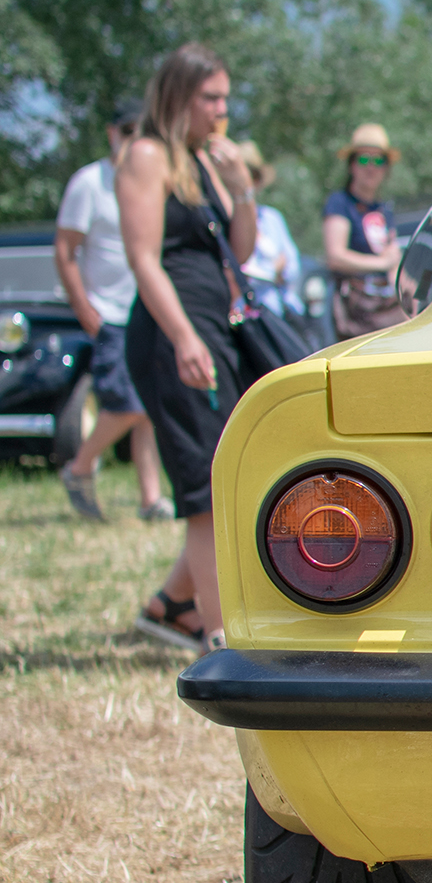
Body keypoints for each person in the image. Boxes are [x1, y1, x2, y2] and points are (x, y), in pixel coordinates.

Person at [120, 42, 256, 653]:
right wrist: (182, 337)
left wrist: (242, 190)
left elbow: (241, 254)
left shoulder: (203, 164)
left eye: (226, 98)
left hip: (211, 328)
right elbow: (143, 260)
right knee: (206, 481)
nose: (222, 111)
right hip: (171, 334)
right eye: (211, 98)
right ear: (178, 96)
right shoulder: (145, 157)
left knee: (224, 467)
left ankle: (172, 608)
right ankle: (220, 635)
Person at [52, 100, 171, 523]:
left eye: (142, 131)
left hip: (146, 309)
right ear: (111, 132)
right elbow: (65, 251)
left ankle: (150, 498)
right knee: (128, 405)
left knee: (148, 410)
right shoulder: (90, 182)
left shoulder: (152, 178)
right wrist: (84, 307)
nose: (133, 138)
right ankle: (79, 468)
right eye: (126, 130)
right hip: (108, 312)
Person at [324, 123, 407, 338]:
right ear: (352, 166)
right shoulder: (340, 203)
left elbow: (393, 259)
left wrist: (410, 296)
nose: (371, 166)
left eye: (378, 160)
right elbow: (335, 256)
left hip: (385, 306)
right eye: (363, 159)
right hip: (356, 310)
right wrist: (380, 264)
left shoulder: (383, 210)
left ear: (386, 168)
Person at [236, 141, 300, 318]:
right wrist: (273, 270)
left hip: (274, 314)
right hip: (240, 315)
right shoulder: (225, 218)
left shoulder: (272, 218)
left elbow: (293, 266)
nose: (247, 181)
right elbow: (238, 273)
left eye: (252, 175)